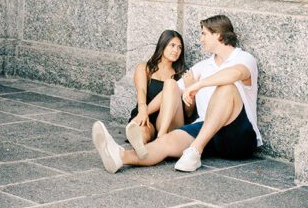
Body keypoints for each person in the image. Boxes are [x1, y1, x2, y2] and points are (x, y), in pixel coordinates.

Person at [93, 14, 262, 173]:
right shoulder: (203, 66)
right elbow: (170, 91)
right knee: (166, 142)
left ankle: (195, 150)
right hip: (205, 131)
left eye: (204, 34)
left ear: (218, 35)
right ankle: (120, 156)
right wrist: (141, 115)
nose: (200, 39)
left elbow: (236, 74)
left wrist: (198, 85)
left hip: (238, 136)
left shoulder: (244, 58)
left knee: (227, 87)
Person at [125, 29, 191, 155]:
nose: (176, 50)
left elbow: (188, 113)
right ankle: (140, 147)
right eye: (172, 45)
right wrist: (143, 111)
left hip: (170, 121)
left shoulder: (182, 75)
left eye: (179, 47)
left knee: (171, 84)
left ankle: (161, 138)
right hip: (146, 117)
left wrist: (190, 90)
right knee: (142, 133)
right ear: (162, 45)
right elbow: (142, 91)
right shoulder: (144, 68)